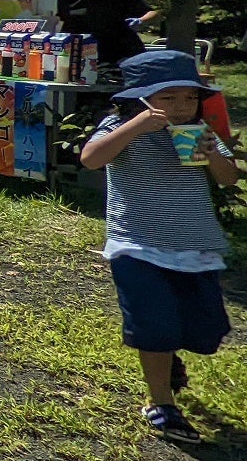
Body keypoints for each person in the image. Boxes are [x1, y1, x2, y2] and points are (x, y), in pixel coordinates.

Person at [79, 48, 239, 439]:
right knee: (153, 323)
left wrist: (209, 155)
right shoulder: (120, 126)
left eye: (190, 97)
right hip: (136, 244)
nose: (182, 106)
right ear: (141, 99)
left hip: (195, 247)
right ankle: (161, 403)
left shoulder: (197, 133)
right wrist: (135, 127)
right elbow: (91, 158)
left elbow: (229, 178)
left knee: (205, 330)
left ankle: (167, 360)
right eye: (168, 97)